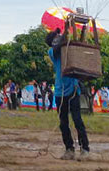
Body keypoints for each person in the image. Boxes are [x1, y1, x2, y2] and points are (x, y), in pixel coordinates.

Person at [47, 29, 89, 161]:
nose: (59, 38)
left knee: (77, 120)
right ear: (52, 42)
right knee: (63, 123)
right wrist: (65, 31)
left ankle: (85, 148)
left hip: (73, 90)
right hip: (60, 92)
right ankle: (69, 149)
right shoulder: (52, 52)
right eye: (56, 37)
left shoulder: (69, 49)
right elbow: (57, 46)